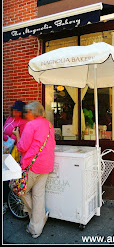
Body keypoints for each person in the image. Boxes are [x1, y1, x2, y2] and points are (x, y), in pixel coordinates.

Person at [12, 101, 56, 239]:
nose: (25, 114)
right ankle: (36, 227)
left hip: (32, 165)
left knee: (19, 189)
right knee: (38, 195)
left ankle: (38, 219)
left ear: (32, 112)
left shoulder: (31, 125)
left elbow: (22, 147)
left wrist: (17, 135)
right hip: (46, 165)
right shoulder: (49, 124)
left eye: (27, 112)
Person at [3, 100, 27, 214]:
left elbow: (21, 140)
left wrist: (7, 138)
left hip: (14, 153)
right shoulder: (8, 118)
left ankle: (6, 203)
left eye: (17, 110)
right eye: (14, 109)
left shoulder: (24, 122)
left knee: (9, 177)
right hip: (5, 150)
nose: (15, 112)